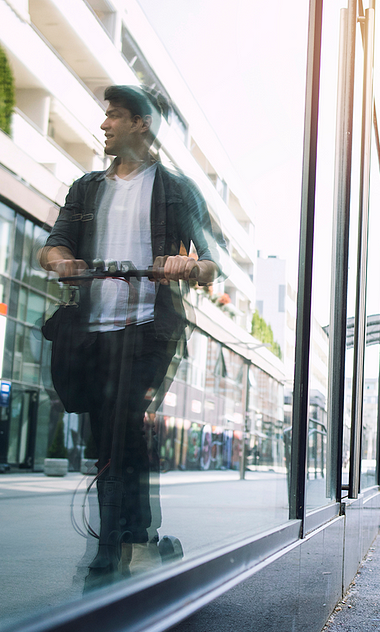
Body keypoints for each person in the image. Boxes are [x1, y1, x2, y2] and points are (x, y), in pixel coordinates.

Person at [39, 84, 221, 587]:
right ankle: (141, 536)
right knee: (115, 430)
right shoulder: (86, 190)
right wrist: (63, 261)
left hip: (148, 329)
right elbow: (53, 246)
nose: (104, 125)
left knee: (121, 421)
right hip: (92, 331)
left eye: (114, 116)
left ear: (140, 123)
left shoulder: (175, 190)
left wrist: (188, 264)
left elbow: (211, 264)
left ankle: (110, 544)